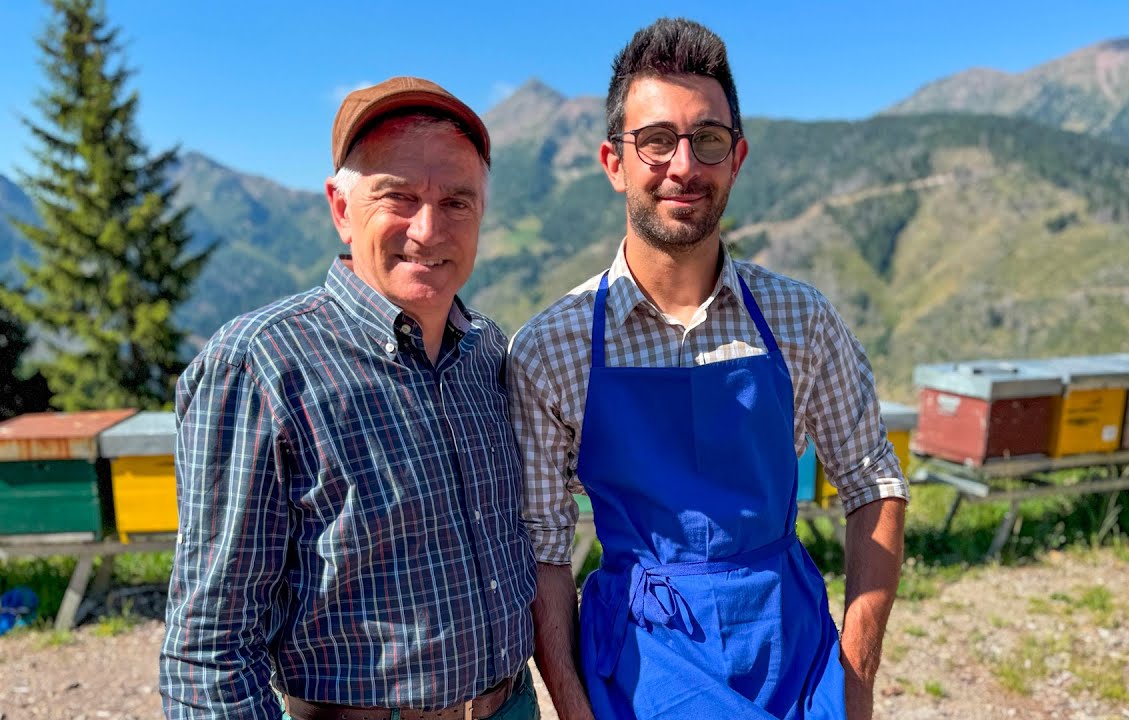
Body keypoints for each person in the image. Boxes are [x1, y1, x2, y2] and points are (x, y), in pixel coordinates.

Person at [508, 18, 909, 720]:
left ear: (737, 157)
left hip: (790, 651)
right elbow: (544, 553)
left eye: (708, 140)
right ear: (614, 162)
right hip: (636, 666)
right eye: (656, 140)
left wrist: (856, 675)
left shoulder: (800, 319)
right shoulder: (551, 347)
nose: (684, 165)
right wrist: (574, 709)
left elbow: (874, 483)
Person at [160, 77, 539, 720]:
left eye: (456, 201)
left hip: (511, 705)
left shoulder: (486, 353)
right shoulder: (259, 364)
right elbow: (209, 649)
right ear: (341, 206)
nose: (428, 228)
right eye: (399, 196)